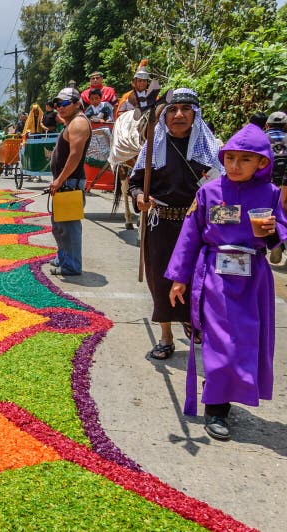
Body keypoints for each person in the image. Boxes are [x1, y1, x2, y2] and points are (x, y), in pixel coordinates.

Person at [166, 124, 287, 440]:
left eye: (244, 160)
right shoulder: (209, 192)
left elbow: (277, 242)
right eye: (229, 158)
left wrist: (271, 232)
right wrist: (180, 278)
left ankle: (226, 395)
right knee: (221, 342)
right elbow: (190, 236)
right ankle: (216, 407)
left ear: (261, 163)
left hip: (253, 282)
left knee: (245, 340)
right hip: (215, 279)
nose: (234, 165)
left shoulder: (271, 195)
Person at [129, 88, 222, 360]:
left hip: (198, 227)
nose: (178, 114)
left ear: (195, 114)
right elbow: (135, 183)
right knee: (161, 281)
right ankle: (166, 336)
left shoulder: (210, 147)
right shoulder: (152, 146)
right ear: (165, 115)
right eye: (172, 110)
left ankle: (193, 322)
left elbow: (223, 185)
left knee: (197, 280)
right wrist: (139, 197)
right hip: (162, 226)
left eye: (185, 109)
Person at [48, 87, 92, 277]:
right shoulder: (71, 122)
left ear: (76, 103)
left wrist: (59, 179)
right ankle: (63, 258)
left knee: (68, 227)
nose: (60, 107)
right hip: (65, 182)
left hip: (70, 183)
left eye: (64, 103)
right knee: (60, 226)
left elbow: (75, 156)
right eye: (57, 104)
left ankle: (71, 266)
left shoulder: (78, 123)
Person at [265, 111, 286, 264]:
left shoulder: (263, 139)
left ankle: (275, 243)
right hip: (286, 183)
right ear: (285, 125)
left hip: (269, 184)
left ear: (267, 125)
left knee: (271, 216)